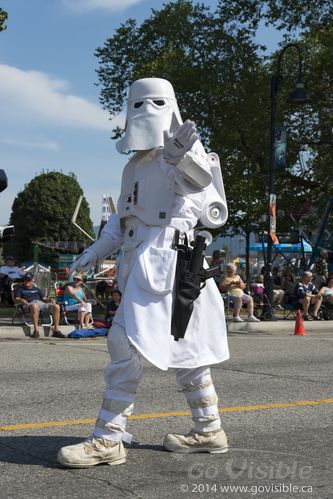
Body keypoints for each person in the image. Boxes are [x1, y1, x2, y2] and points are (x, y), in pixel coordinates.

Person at [57, 77, 230, 468]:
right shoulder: (133, 165)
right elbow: (120, 221)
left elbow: (200, 189)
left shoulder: (185, 151)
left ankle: (108, 437)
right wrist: (93, 252)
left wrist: (179, 159)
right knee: (187, 352)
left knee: (125, 342)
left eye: (151, 104)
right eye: (136, 105)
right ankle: (209, 429)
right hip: (142, 264)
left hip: (175, 264)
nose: (143, 113)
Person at [14, 272, 65, 338]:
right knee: (34, 306)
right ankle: (36, 331)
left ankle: (56, 331)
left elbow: (44, 298)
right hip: (29, 304)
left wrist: (50, 299)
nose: (26, 281)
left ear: (32, 280)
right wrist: (21, 300)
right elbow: (16, 299)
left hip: (40, 303)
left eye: (28, 280)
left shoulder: (37, 289)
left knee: (56, 307)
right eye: (25, 280)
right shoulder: (20, 289)